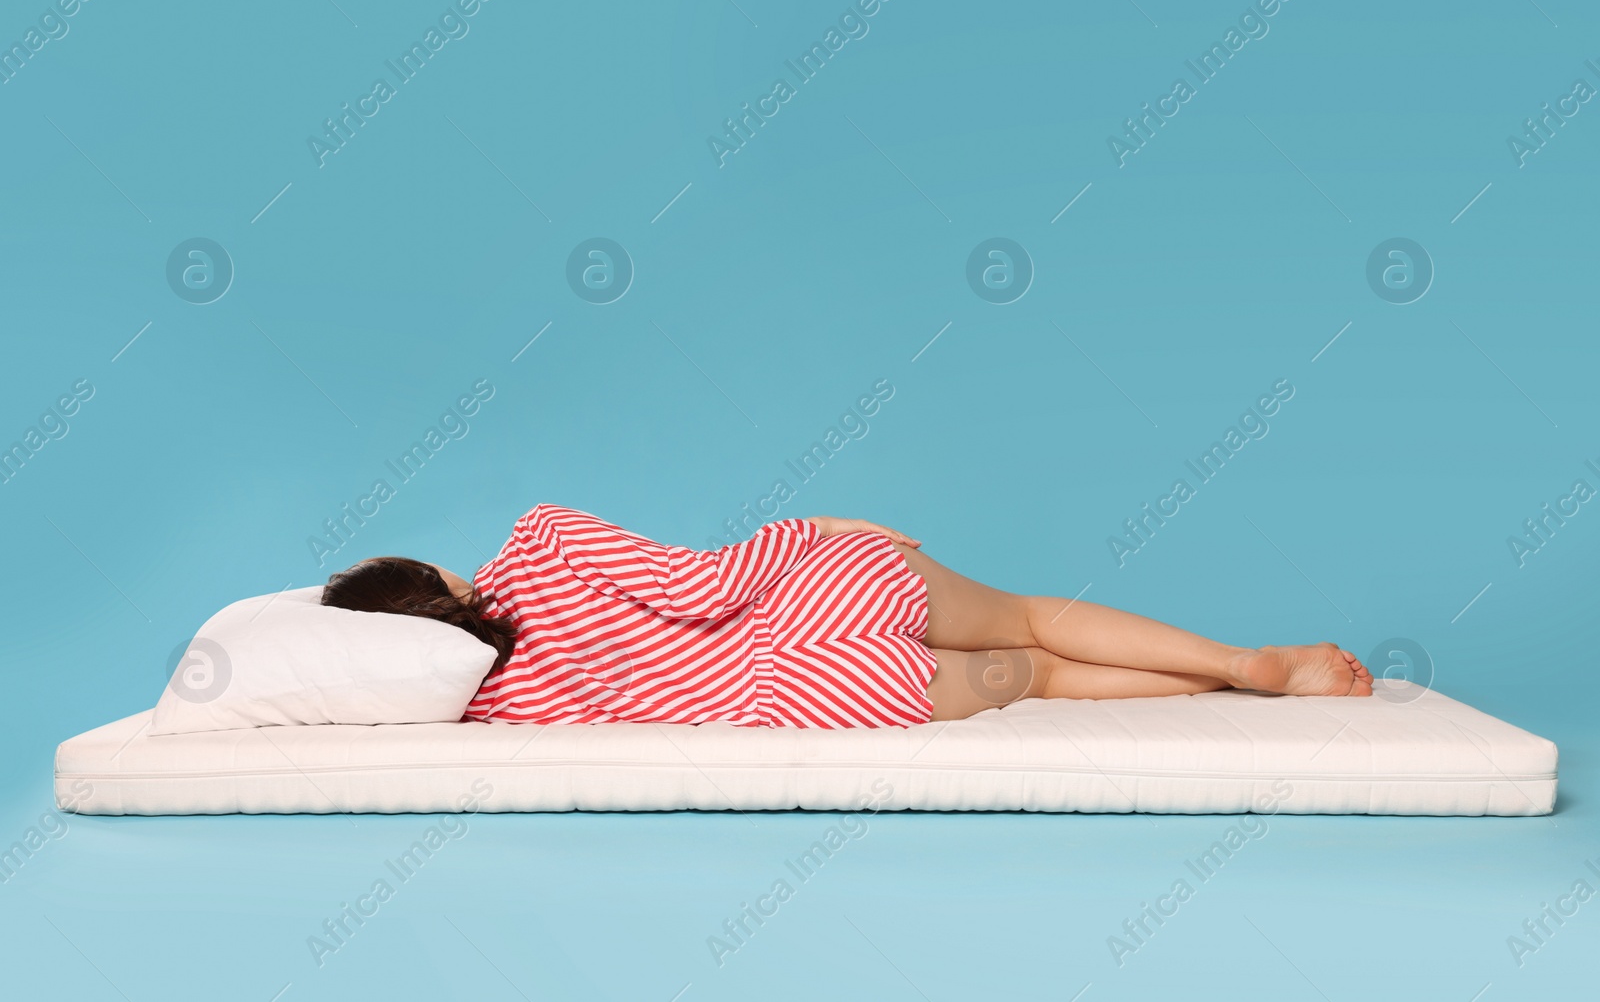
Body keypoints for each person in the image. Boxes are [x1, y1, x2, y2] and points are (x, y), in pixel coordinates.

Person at [322, 504, 1372, 728]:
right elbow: (702, 585)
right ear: (429, 574)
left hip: (815, 691)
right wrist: (816, 521)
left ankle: (1236, 687)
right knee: (1034, 614)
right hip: (823, 585)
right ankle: (1249, 663)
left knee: (1040, 677)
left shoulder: (481, 705)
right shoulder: (538, 535)